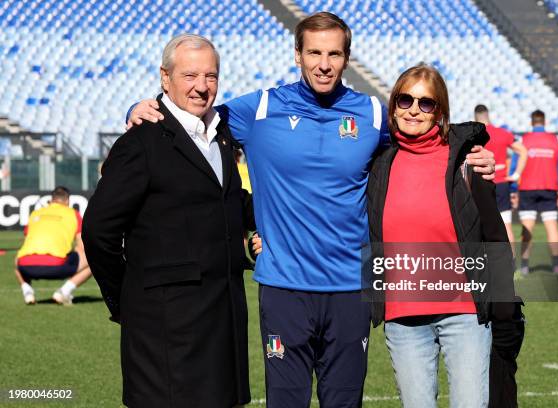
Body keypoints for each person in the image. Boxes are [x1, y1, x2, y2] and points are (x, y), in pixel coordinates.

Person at [127, 12, 496, 407]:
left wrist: (473, 152)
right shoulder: (260, 109)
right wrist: (138, 109)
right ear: (298, 54)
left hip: (352, 290)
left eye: (334, 54)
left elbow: (426, 131)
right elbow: (189, 120)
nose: (324, 64)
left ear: (347, 58)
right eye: (315, 52)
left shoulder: (372, 114)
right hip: (284, 289)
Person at [82, 34, 255, 408]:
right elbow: (98, 230)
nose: (202, 86)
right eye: (190, 75)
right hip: (166, 334)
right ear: (165, 77)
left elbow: (227, 202)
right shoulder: (140, 141)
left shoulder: (221, 133)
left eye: (211, 76)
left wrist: (267, 223)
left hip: (222, 327)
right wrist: (126, 300)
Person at [366, 64, 516, 408]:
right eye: (405, 100)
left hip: (464, 314)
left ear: (440, 112)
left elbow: (493, 234)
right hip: (402, 316)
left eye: (426, 103)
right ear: (392, 106)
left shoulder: (467, 160)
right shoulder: (376, 162)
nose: (414, 110)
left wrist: (504, 302)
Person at [15, 186, 91, 305]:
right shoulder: (73, 213)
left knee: (19, 256)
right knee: (93, 258)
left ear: (51, 200)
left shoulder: (36, 213)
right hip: (57, 265)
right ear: (67, 201)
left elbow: (26, 241)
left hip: (26, 266)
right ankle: (64, 292)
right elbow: (81, 245)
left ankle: (27, 292)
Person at [516, 110, 558, 276]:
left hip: (527, 189)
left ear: (532, 122)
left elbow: (516, 167)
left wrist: (512, 190)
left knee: (527, 228)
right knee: (551, 227)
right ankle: (557, 265)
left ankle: (524, 266)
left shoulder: (523, 140)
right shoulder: (555, 140)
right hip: (549, 188)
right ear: (544, 122)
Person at [474, 104, 528, 247]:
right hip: (501, 185)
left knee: (479, 228)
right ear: (488, 116)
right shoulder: (502, 133)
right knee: (506, 226)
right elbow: (523, 151)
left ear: (475, 117)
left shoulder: (473, 135)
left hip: (480, 184)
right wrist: (516, 175)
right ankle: (511, 265)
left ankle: (483, 264)